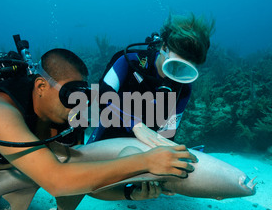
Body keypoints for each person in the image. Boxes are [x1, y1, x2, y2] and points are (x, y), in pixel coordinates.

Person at [0, 48, 196, 210]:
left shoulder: (69, 116)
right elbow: (58, 182)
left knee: (72, 162)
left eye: (82, 93)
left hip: (3, 168)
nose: (78, 102)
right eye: (70, 93)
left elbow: (80, 179)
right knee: (46, 171)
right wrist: (146, 162)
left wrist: (130, 193)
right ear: (40, 86)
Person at [87, 13, 214, 143]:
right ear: (163, 46)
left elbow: (169, 131)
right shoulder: (131, 61)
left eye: (183, 68)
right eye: (172, 64)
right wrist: (135, 125)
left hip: (146, 145)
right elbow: (102, 95)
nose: (175, 74)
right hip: (107, 136)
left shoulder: (184, 87)